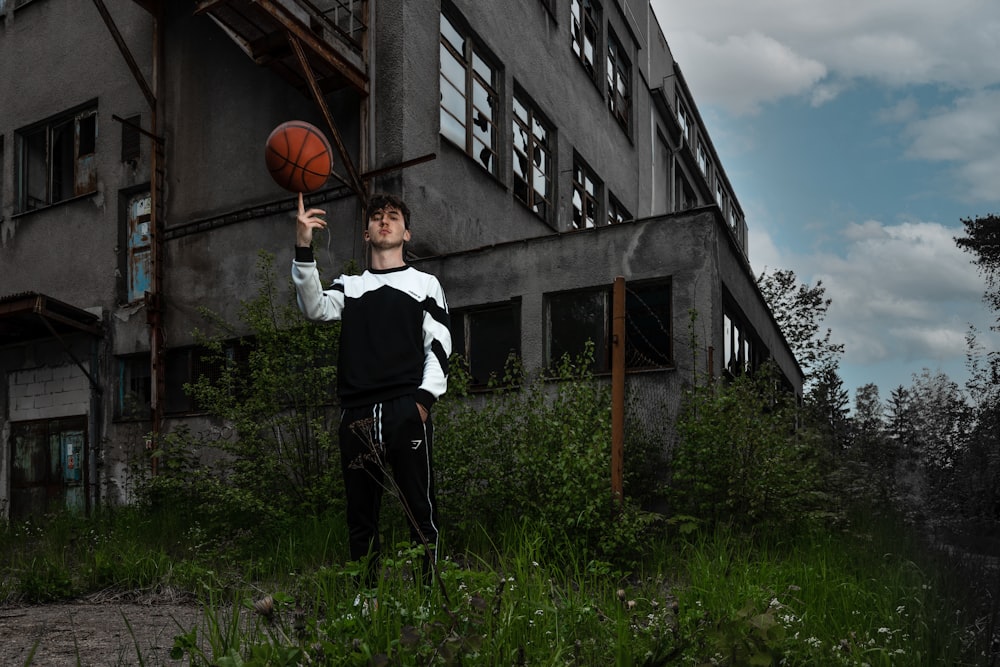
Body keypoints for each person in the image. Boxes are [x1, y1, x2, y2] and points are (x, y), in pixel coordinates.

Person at [291, 192, 451, 587]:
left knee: (419, 511)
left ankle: (429, 599)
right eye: (377, 216)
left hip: (405, 410)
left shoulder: (424, 284)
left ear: (406, 232)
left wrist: (423, 401)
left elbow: (441, 345)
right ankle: (365, 602)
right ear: (366, 233)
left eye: (393, 216)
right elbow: (313, 308)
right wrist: (302, 244)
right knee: (361, 516)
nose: (384, 221)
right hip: (357, 413)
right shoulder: (351, 286)